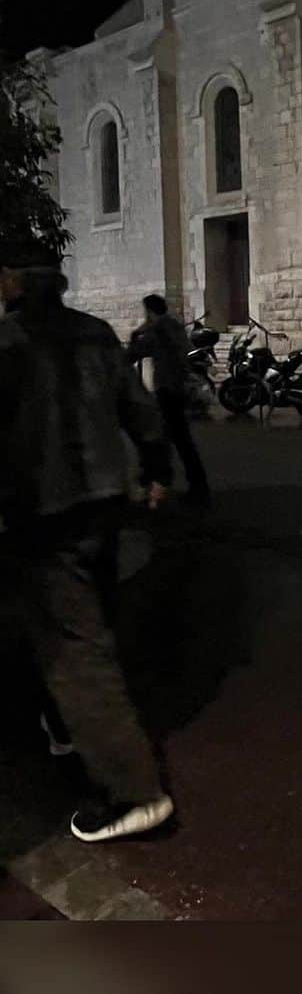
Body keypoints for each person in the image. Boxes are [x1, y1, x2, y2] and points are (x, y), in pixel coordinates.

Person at [0, 243, 175, 842]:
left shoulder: (9, 342)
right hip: (103, 503)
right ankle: (68, 724)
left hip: (44, 512)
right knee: (89, 624)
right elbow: (140, 411)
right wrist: (156, 470)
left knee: (76, 649)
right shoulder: (96, 333)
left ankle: (134, 793)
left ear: (14, 281)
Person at [128, 294, 210, 505]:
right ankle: (185, 482)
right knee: (177, 438)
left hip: (166, 388)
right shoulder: (175, 325)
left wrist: (136, 335)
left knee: (164, 436)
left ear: (149, 311)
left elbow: (134, 353)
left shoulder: (157, 330)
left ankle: (160, 482)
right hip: (178, 386)